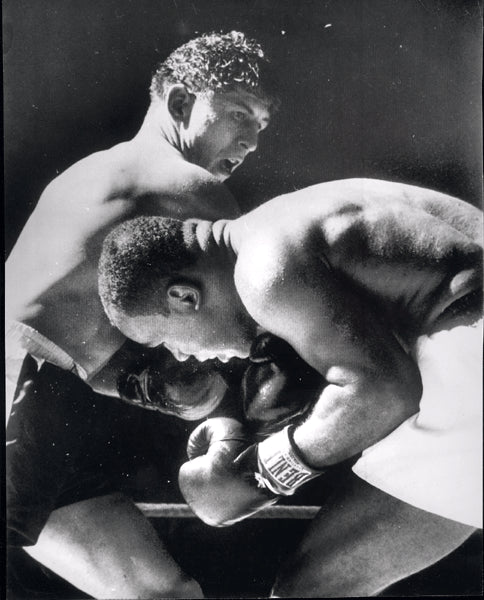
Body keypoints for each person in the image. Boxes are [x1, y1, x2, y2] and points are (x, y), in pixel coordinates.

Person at [99, 177, 483, 596]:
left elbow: (383, 392)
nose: (185, 356)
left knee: (309, 589)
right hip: (465, 354)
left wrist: (263, 476)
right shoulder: (286, 222)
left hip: (469, 355)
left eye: (166, 341)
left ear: (183, 298)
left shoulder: (261, 269)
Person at [5, 30, 278, 599]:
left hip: (52, 405)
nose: (251, 140)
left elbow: (76, 340)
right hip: (18, 396)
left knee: (163, 594)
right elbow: (256, 312)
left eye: (262, 124)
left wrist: (162, 388)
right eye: (237, 113)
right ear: (181, 103)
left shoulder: (101, 173)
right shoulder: (189, 189)